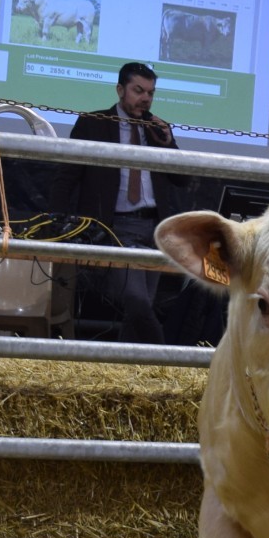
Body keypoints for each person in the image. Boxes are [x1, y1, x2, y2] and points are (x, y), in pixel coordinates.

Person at [64, 62, 194, 343]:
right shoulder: (93, 123)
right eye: (138, 90)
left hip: (155, 230)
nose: (145, 98)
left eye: (150, 92)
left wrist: (169, 142)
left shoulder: (158, 129)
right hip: (117, 229)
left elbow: (182, 180)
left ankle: (127, 368)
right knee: (138, 301)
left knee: (138, 310)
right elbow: (67, 177)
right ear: (120, 89)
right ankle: (168, 361)